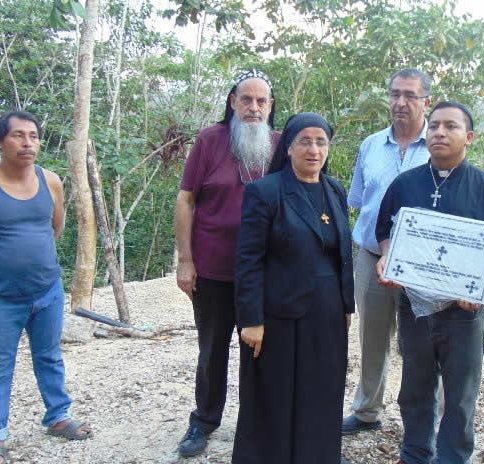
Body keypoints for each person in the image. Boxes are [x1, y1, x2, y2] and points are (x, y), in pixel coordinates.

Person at [375, 101, 484, 464]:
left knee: (460, 395)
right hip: (414, 307)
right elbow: (386, 232)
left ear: (469, 137)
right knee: (415, 388)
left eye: (450, 126)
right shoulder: (405, 184)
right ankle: (415, 453)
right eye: (434, 125)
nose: (439, 132)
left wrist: (478, 281)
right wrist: (388, 259)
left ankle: (453, 457)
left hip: (463, 312)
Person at [0, 111, 92, 464]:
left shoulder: (51, 181)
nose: (28, 143)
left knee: (50, 356)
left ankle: (58, 416)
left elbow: (54, 229)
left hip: (48, 291)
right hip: (1, 298)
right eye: (18, 136)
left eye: (33, 136)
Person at [232, 113, 355, 464]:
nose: (314, 150)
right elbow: (249, 260)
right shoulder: (265, 191)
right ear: (288, 147)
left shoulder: (335, 189)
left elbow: (342, 253)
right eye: (305, 141)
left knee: (321, 390)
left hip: (327, 313)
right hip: (278, 314)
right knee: (276, 392)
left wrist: (346, 305)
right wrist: (250, 319)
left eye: (321, 142)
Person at [174, 68, 280, 457]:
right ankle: (204, 420)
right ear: (233, 102)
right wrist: (186, 260)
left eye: (261, 101)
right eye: (246, 99)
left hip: (265, 272)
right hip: (214, 269)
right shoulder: (209, 140)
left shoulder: (281, 145)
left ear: (270, 106)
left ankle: (258, 422)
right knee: (212, 349)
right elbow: (186, 200)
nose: (254, 107)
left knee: (261, 349)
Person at [343, 68, 432, 435]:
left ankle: (424, 420)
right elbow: (359, 201)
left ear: (427, 101)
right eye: (395, 94)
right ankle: (367, 411)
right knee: (373, 338)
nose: (401, 102)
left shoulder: (439, 146)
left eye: (410, 95)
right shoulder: (370, 145)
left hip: (422, 265)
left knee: (422, 344)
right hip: (370, 258)